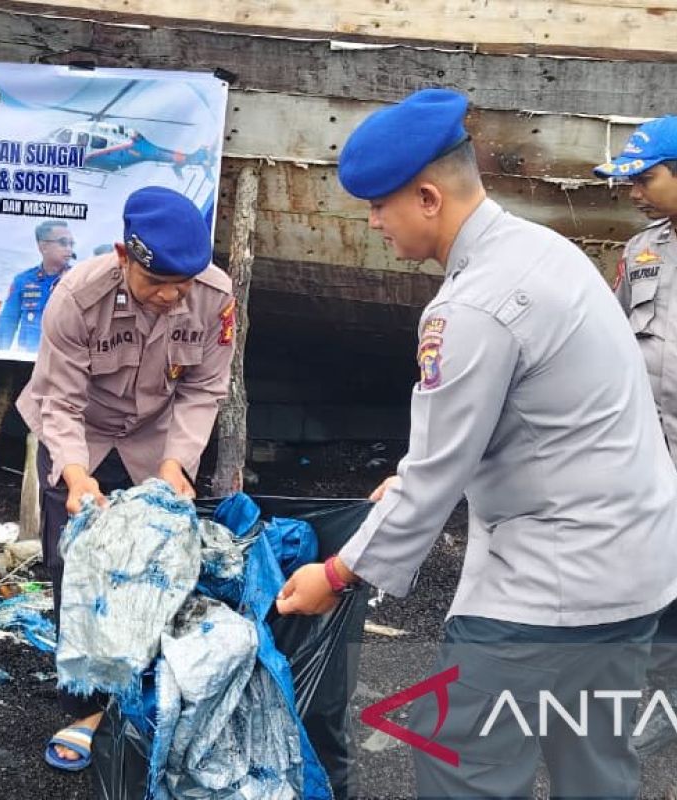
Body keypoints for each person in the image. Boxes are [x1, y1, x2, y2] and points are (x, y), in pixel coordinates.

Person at [276, 89, 677, 798]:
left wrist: (336, 577)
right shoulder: (544, 251)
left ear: (428, 197)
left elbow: (436, 472)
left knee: (466, 762)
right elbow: (528, 415)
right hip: (634, 564)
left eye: (378, 206)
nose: (372, 224)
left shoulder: (472, 306)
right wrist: (406, 482)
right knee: (595, 764)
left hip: (554, 582)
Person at [16, 186, 235, 771]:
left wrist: (176, 463)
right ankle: (83, 705)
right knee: (76, 564)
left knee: (158, 561)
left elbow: (203, 388)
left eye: (182, 284)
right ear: (123, 256)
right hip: (80, 435)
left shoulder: (214, 296)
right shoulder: (76, 296)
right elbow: (58, 403)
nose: (171, 296)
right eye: (156, 282)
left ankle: (142, 690)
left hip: (155, 438)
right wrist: (77, 475)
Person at [593, 115, 677, 756]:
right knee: (647, 573)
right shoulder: (642, 251)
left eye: (645, 179)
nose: (632, 192)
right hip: (650, 449)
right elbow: (616, 340)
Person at [0, 220, 75, 351]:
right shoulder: (23, 281)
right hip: (28, 361)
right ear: (43, 247)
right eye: (63, 243)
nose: (69, 249)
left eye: (71, 244)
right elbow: (6, 324)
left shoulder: (79, 281)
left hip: (62, 362)